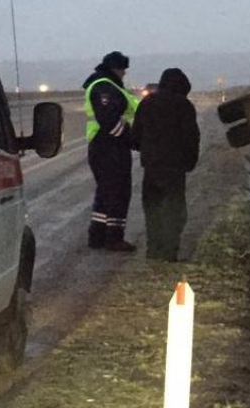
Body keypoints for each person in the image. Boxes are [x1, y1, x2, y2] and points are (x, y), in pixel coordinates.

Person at [132, 68, 200, 261]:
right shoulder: (184, 106)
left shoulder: (146, 103)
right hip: (175, 167)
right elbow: (192, 137)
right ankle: (169, 252)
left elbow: (135, 136)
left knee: (152, 210)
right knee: (174, 210)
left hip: (151, 167)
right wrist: (190, 161)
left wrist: (144, 149)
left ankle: (154, 250)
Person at [83, 51, 139, 252]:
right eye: (123, 70)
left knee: (106, 191)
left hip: (105, 145)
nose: (124, 74)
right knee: (118, 191)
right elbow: (108, 120)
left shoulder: (107, 85)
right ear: (116, 69)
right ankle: (114, 238)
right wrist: (131, 138)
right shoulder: (104, 87)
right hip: (109, 146)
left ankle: (97, 235)